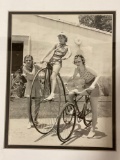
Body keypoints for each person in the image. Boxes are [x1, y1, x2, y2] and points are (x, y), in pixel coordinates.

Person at [67, 53, 100, 138]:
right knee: (71, 94)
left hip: (94, 87)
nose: (77, 63)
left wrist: (93, 85)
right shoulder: (77, 69)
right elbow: (74, 78)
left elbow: (98, 75)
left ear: (82, 61)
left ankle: (93, 130)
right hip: (85, 86)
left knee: (94, 109)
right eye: (76, 61)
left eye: (79, 61)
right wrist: (68, 82)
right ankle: (73, 110)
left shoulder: (87, 68)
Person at [41, 32, 72, 100]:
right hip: (51, 61)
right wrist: (43, 58)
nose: (60, 39)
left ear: (65, 39)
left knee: (53, 76)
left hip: (57, 63)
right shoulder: (56, 44)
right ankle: (48, 93)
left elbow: (70, 53)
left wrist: (66, 57)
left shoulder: (67, 47)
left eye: (61, 38)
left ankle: (52, 94)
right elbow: (49, 51)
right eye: (59, 38)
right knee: (46, 78)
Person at [23, 55, 41, 129]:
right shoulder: (24, 68)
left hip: (37, 85)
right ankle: (30, 121)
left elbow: (43, 68)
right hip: (29, 86)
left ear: (32, 60)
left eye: (29, 60)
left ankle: (35, 120)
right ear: (25, 61)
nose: (28, 61)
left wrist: (39, 64)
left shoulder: (36, 66)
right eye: (26, 60)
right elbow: (32, 75)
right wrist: (34, 66)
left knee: (37, 104)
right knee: (29, 105)